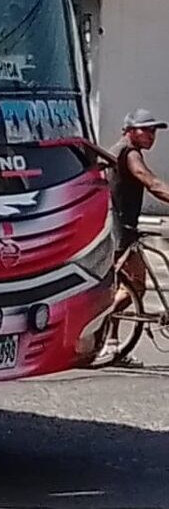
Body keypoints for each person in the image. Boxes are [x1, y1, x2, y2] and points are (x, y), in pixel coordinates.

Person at [95, 108, 169, 366]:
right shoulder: (128, 153)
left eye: (154, 130)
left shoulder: (118, 150)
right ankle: (101, 335)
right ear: (129, 130)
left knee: (132, 287)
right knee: (132, 286)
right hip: (119, 231)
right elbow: (150, 182)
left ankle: (111, 343)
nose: (152, 135)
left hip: (123, 228)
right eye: (146, 129)